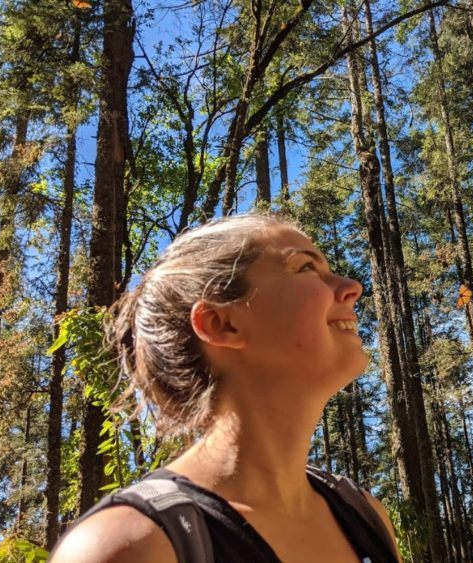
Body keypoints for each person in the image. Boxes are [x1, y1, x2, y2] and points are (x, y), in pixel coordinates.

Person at [50, 214, 401, 562]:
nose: (351, 287)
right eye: (306, 268)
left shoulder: (364, 514)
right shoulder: (129, 545)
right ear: (222, 324)